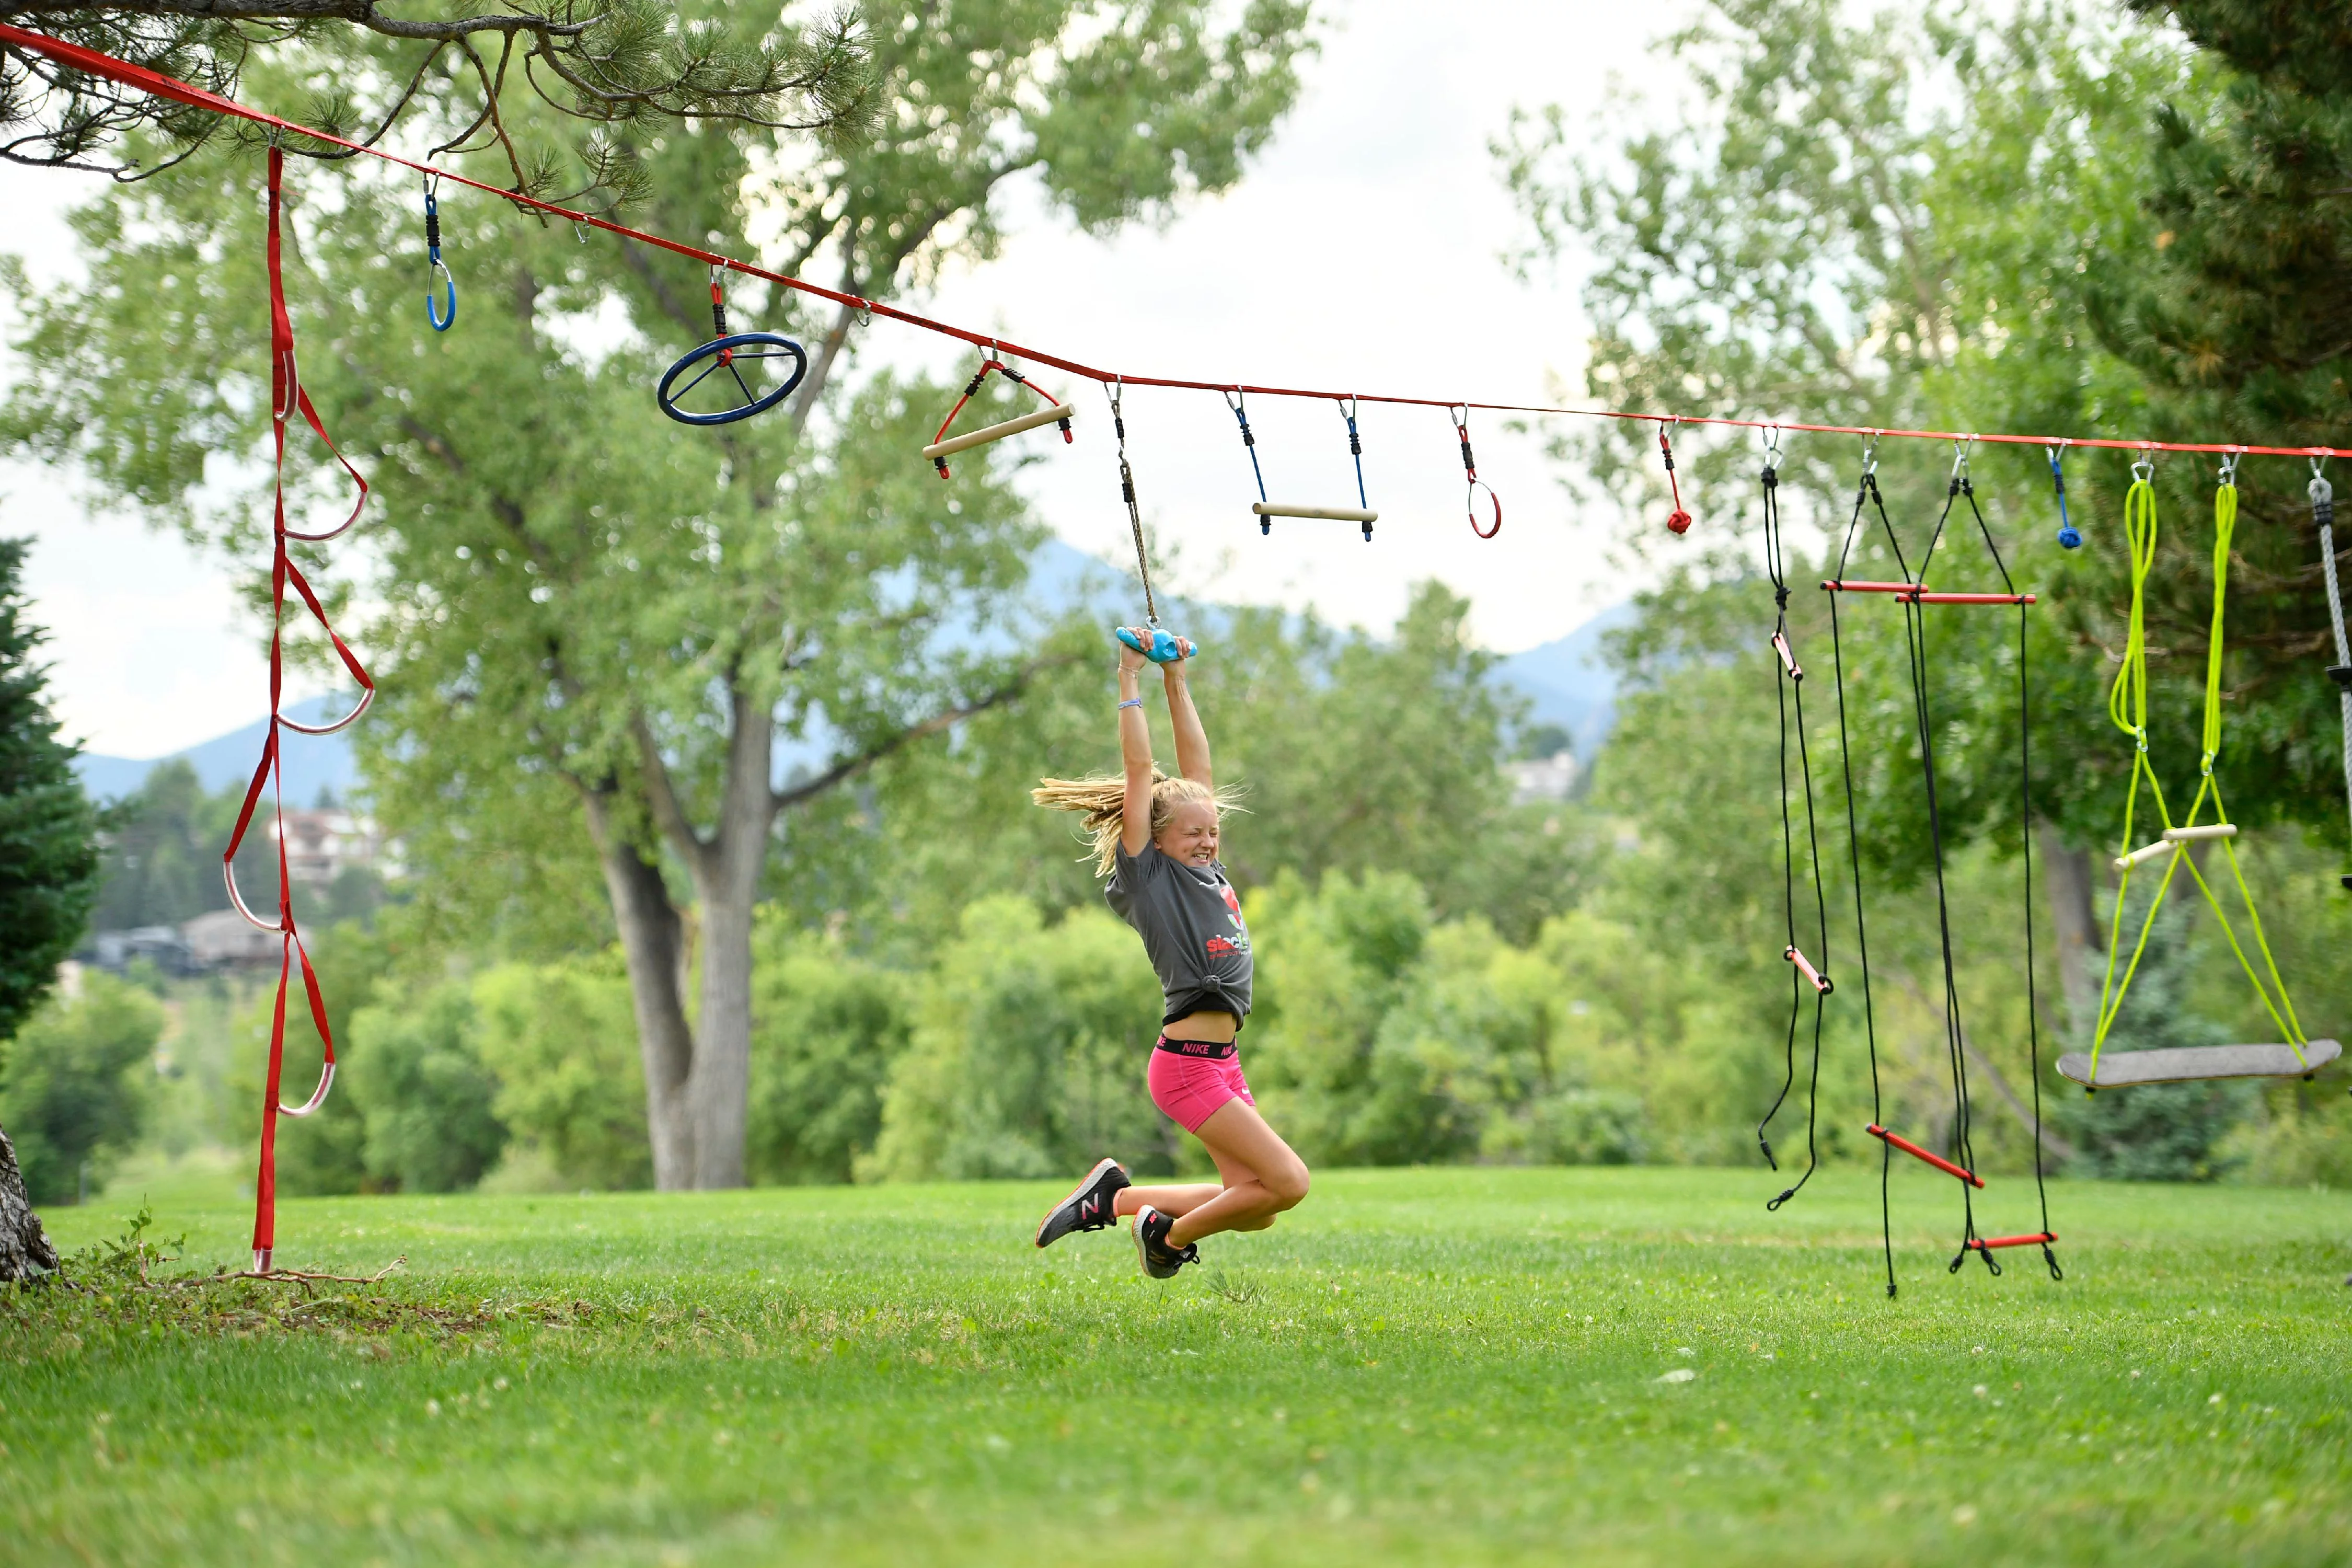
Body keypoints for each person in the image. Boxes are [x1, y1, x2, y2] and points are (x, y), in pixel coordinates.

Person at [1028, 628, 1311, 1277]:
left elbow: (1198, 770)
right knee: (1288, 1182)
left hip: (1222, 1061)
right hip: (1186, 1067)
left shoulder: (1206, 866)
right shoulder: (1151, 877)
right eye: (1194, 833)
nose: (1210, 840)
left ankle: (1118, 1200)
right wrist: (1130, 678)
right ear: (1155, 838)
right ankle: (1166, 1237)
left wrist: (1177, 681)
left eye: (1213, 830)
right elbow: (1139, 771)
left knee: (1259, 1205)